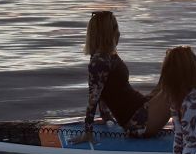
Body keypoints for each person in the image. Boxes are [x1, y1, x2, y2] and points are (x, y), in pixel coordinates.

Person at [72, 11, 169, 143]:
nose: (118, 32)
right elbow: (94, 98)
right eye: (115, 28)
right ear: (107, 33)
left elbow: (104, 90)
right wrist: (88, 131)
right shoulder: (99, 61)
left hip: (141, 107)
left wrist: (106, 116)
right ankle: (195, 128)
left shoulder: (107, 55)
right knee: (177, 88)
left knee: (169, 70)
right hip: (137, 121)